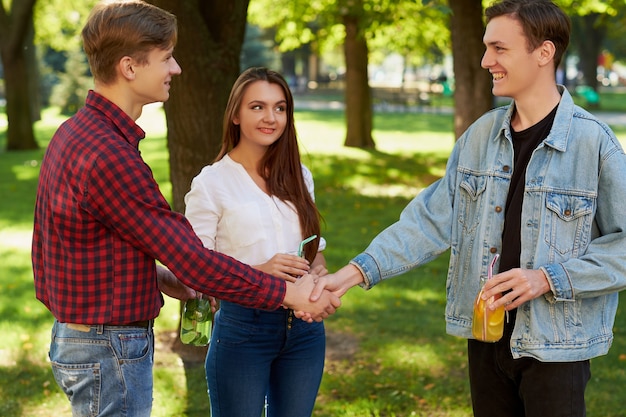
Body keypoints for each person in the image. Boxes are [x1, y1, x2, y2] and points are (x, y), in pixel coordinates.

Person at [311, 0, 626, 416]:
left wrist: (547, 279)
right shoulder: (480, 137)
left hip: (556, 348)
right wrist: (352, 274)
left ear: (543, 53)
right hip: (485, 336)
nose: (485, 61)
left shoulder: (594, 144)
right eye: (485, 48)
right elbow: (429, 220)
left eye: (499, 49)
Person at [31, 2, 339, 416]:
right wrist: (286, 292)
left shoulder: (75, 134)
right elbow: (194, 259)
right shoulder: (109, 155)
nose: (175, 68)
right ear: (129, 67)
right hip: (108, 347)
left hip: (89, 338)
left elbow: (78, 252)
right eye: (166, 58)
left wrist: (161, 278)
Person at [184, 67, 328, 417]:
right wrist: (259, 271)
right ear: (235, 114)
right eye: (257, 107)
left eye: (280, 108)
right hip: (243, 330)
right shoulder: (210, 183)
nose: (271, 118)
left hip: (304, 332)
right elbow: (194, 269)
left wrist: (319, 289)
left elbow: (317, 256)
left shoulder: (299, 175)